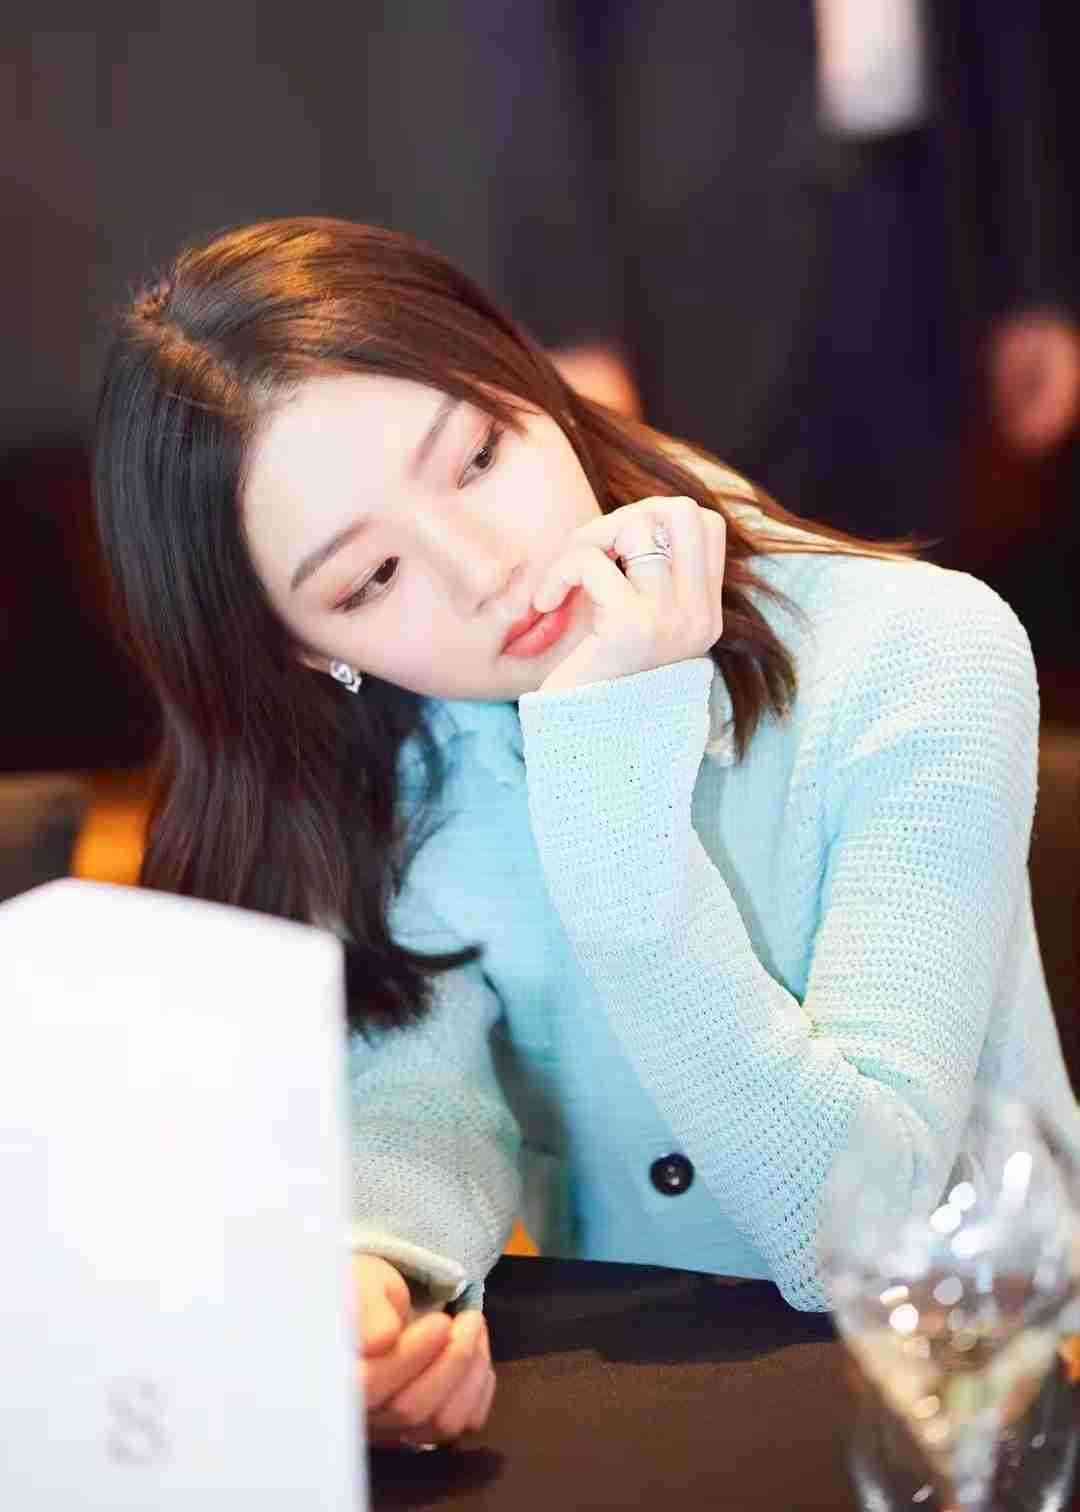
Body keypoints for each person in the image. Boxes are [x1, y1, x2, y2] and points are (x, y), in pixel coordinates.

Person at [93, 217, 1077, 1448]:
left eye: (477, 458)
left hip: (968, 1401)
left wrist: (614, 768)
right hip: (650, 1399)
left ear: (537, 386)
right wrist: (372, 1286)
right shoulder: (397, 758)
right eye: (370, 581)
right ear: (298, 647)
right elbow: (424, 1095)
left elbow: (854, 1227)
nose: (484, 569)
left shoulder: (918, 652)